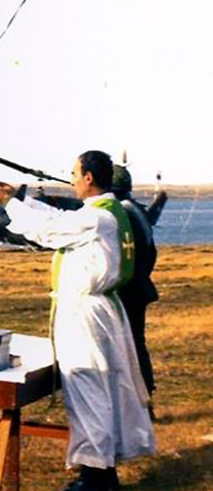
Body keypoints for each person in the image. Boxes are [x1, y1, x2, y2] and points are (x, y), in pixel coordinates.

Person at [0, 150, 155, 491]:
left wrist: (10, 205)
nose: (73, 179)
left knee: (87, 385)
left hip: (85, 313)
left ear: (89, 177)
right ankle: (102, 471)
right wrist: (20, 198)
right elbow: (60, 216)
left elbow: (50, 230)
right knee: (100, 387)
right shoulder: (110, 212)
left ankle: (93, 477)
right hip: (99, 309)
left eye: (76, 173)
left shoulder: (97, 220)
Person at [112, 165, 160, 409]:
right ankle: (144, 401)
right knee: (135, 345)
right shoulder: (136, 211)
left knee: (127, 348)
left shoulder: (121, 213)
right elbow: (151, 253)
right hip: (137, 289)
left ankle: (138, 404)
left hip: (126, 293)